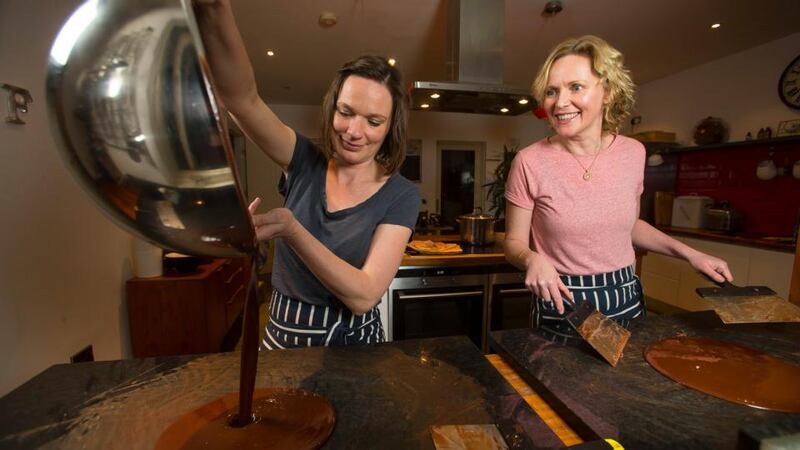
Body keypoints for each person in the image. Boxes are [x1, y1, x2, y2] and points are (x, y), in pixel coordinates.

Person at [193, 0, 420, 348]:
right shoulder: (303, 160)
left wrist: (293, 230)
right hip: (286, 332)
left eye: (373, 121)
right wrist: (214, 10)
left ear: (391, 128)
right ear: (332, 109)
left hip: (357, 343)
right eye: (345, 112)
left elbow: (364, 296)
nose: (353, 131)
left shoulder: (400, 194)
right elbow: (240, 99)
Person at [503, 35, 732, 341]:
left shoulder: (633, 152)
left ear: (607, 92)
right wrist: (532, 259)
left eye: (576, 87)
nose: (560, 102)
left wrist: (692, 255)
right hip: (563, 299)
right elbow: (513, 242)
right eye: (551, 91)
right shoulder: (529, 161)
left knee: (627, 385)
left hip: (625, 294)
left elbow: (630, 226)